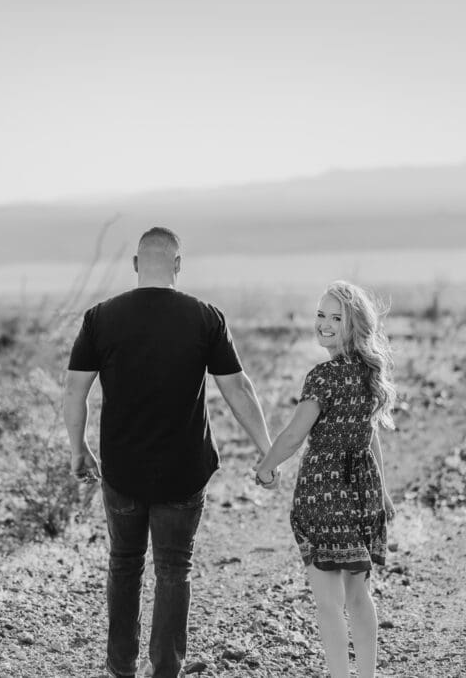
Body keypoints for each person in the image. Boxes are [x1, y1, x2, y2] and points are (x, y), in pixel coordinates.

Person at [63, 226, 274, 678]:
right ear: (178, 265)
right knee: (174, 569)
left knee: (124, 564)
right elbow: (237, 388)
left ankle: (121, 667)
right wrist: (267, 450)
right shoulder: (205, 317)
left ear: (136, 265)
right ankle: (165, 670)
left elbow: (74, 391)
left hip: (122, 470)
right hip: (183, 470)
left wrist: (78, 448)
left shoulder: (101, 317)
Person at [255, 280, 397, 678]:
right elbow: (370, 438)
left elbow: (294, 435)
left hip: (326, 491)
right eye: (321, 315)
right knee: (358, 594)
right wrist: (381, 491)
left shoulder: (322, 376)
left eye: (337, 317)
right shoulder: (370, 372)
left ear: (355, 324)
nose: (325, 324)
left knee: (327, 600)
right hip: (362, 489)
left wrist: (266, 466)